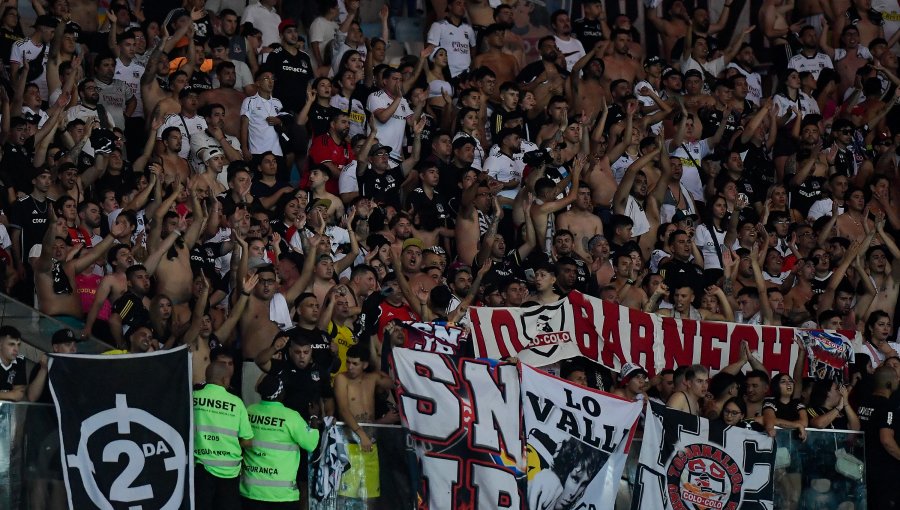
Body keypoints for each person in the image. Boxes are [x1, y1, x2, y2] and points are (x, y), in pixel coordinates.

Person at [240, 371, 320, 509]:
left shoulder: (249, 411)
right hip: (281, 495)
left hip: (250, 492)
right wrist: (313, 418)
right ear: (281, 394)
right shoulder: (291, 417)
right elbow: (311, 444)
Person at [333, 344, 397, 503]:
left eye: (355, 363)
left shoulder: (373, 377)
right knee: (345, 497)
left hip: (370, 444)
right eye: (348, 362)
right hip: (350, 444)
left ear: (365, 365)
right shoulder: (342, 379)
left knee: (370, 498)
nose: (350, 366)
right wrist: (361, 435)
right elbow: (343, 410)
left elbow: (395, 384)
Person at [193, 362, 253, 510]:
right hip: (229, 472)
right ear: (225, 379)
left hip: (201, 468)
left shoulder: (193, 397)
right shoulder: (236, 403)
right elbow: (247, 441)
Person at [0, 326, 26, 401]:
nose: (16, 349)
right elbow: (14, 395)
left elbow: (18, 394)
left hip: (6, 410)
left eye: (18, 344)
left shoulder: (20, 360)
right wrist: (11, 394)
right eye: (11, 344)